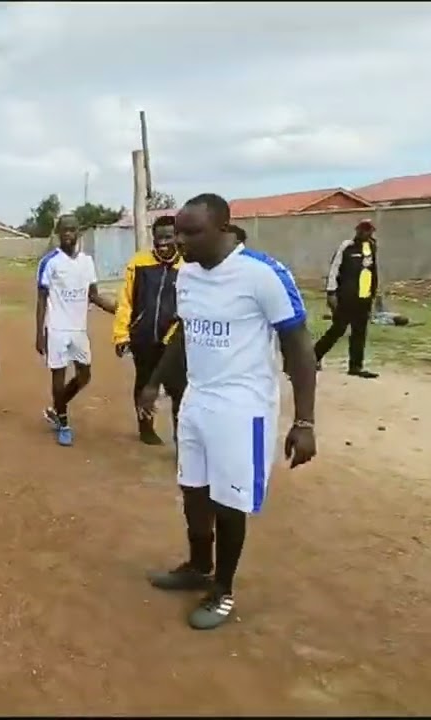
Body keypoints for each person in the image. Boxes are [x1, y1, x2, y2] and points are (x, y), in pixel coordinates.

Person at [138, 193, 317, 631]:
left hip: (243, 408)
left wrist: (305, 421)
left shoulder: (262, 275)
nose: (179, 240)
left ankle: (223, 588)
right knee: (193, 490)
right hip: (197, 400)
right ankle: (199, 565)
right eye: (176, 231)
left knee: (228, 501)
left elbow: (299, 345)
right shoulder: (188, 276)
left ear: (223, 227)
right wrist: (155, 381)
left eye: (191, 232)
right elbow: (185, 334)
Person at [36, 215, 116, 447]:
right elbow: (41, 299)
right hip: (57, 329)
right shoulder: (50, 262)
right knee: (58, 378)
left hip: (79, 328)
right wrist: (40, 333)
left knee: (84, 375)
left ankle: (56, 407)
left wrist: (117, 309)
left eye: (72, 230)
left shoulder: (87, 262)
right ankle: (63, 422)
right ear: (58, 233)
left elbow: (93, 295)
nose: (68, 235)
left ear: (79, 232)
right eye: (64, 231)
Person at [112, 215, 185, 445]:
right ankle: (146, 428)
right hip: (143, 338)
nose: (163, 242)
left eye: (168, 237)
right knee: (143, 383)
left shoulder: (187, 267)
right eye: (158, 237)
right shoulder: (139, 263)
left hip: (174, 342)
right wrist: (122, 334)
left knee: (178, 388)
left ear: (177, 237)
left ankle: (180, 436)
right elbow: (126, 301)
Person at [313, 219, 380, 378]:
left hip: (364, 297)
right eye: (363, 230)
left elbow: (372, 271)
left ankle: (356, 366)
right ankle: (313, 357)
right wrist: (331, 293)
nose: (366, 233)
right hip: (345, 297)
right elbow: (334, 269)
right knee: (338, 329)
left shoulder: (371, 248)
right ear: (357, 230)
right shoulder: (347, 247)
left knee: (360, 332)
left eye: (369, 230)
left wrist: (373, 293)